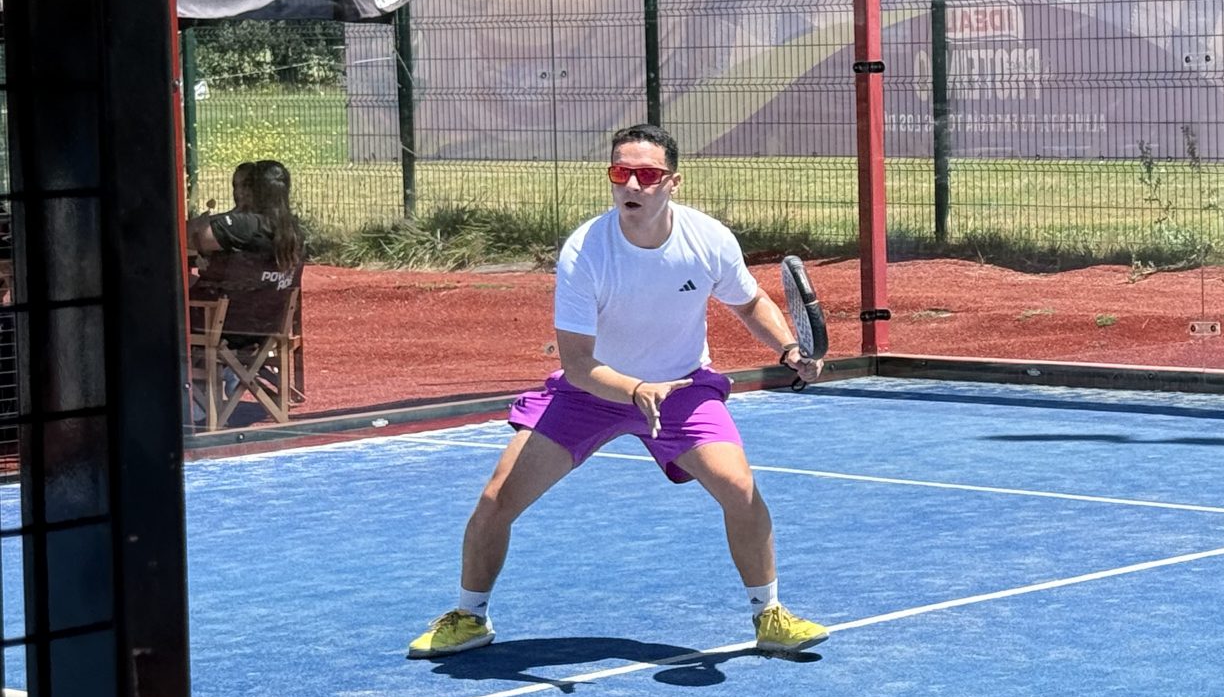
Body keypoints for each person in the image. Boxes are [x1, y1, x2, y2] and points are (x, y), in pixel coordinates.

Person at [407, 122, 829, 660]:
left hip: (682, 389)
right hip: (592, 392)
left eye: (647, 175)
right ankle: (470, 617)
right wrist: (635, 388)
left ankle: (769, 616)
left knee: (740, 489)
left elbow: (748, 303)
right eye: (620, 172)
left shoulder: (708, 240)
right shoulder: (585, 252)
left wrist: (789, 348)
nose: (632, 185)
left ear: (672, 182)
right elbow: (578, 364)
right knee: (496, 499)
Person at [188, 159, 303, 339]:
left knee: (172, 284)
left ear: (256, 191)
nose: (240, 192)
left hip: (225, 326)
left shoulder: (245, 226)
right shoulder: (293, 229)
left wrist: (207, 220)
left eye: (247, 186)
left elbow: (189, 238)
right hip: (266, 326)